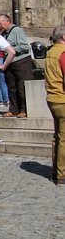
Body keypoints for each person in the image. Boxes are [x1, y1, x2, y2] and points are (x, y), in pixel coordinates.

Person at [0, 14, 34, 118]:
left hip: (21, 62)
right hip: (10, 63)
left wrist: (11, 50)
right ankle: (13, 109)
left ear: (7, 21)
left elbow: (25, 46)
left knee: (21, 87)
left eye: (1, 23)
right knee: (11, 87)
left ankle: (24, 109)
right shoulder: (3, 34)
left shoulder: (17, 31)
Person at [44, 25, 65, 185]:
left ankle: (56, 169)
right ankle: (61, 174)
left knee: (58, 137)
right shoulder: (62, 53)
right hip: (62, 99)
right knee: (63, 139)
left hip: (53, 97)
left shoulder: (51, 51)